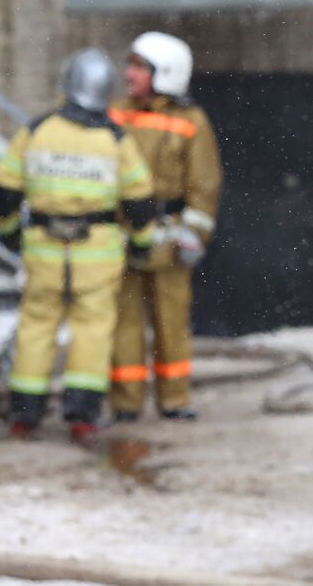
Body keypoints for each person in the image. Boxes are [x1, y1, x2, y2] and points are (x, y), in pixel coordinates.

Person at [0, 48, 157, 445]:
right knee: (92, 330)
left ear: (67, 85)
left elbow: (4, 190)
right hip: (96, 253)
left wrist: (11, 230)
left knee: (36, 326)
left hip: (44, 249)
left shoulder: (37, 131)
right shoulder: (115, 139)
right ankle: (81, 416)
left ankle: (24, 414)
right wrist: (141, 243)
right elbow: (140, 200)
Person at [107, 32, 222, 423]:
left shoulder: (191, 122)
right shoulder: (115, 114)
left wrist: (195, 232)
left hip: (170, 241)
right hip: (122, 237)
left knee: (172, 322)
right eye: (131, 65)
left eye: (139, 67)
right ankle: (126, 402)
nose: (129, 74)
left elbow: (204, 183)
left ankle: (174, 399)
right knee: (123, 324)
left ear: (165, 73)